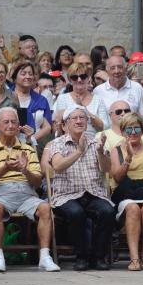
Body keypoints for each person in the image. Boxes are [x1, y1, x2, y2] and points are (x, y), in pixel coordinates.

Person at [0, 107, 58, 272]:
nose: (10, 125)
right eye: (6, 122)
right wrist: (5, 169)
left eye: (13, 122)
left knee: (45, 208)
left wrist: (24, 170)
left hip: (26, 192)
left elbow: (37, 183)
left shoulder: (28, 149)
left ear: (18, 126)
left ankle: (44, 256)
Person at [49, 106, 115, 271]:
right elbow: (57, 166)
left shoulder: (95, 141)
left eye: (82, 118)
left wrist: (101, 152)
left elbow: (107, 169)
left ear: (87, 122)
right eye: (74, 118)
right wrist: (78, 152)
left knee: (107, 211)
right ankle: (81, 256)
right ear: (65, 125)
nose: (79, 121)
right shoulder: (57, 143)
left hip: (93, 193)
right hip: (67, 195)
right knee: (76, 213)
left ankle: (99, 257)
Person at [109, 113, 143, 271]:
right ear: (122, 131)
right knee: (132, 209)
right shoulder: (117, 150)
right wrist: (128, 159)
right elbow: (118, 178)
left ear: (142, 130)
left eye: (136, 128)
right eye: (128, 129)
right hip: (126, 191)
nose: (133, 132)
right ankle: (134, 259)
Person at [11, 61, 52, 146]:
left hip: (36, 144)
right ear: (15, 78)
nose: (28, 76)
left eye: (30, 74)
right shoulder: (8, 98)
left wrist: (31, 139)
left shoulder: (41, 100)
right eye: (23, 73)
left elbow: (47, 127)